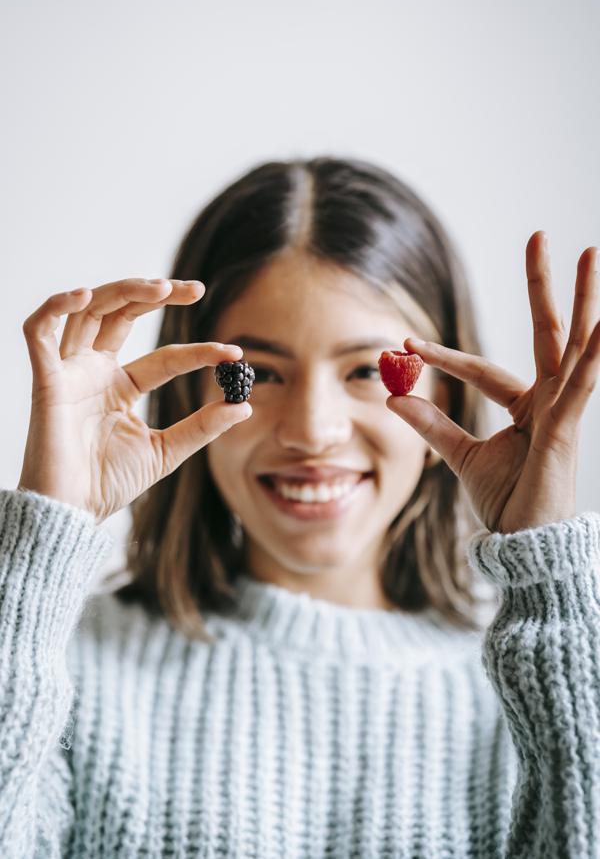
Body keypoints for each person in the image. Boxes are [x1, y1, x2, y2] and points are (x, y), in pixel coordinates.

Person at [1, 156, 599, 858]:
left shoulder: (537, 688)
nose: (313, 431)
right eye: (257, 373)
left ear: (448, 393)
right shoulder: (58, 670)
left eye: (367, 371)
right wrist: (42, 549)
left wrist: (549, 587)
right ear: (186, 390)